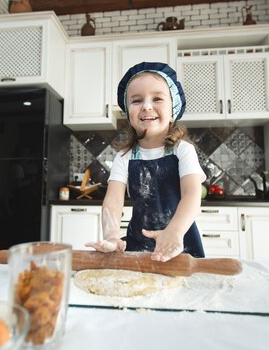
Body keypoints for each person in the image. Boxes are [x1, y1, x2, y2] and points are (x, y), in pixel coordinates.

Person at [85, 62, 206, 262]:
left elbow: (191, 194)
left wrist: (173, 232)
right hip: (137, 247)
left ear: (173, 108)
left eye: (157, 98)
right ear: (128, 112)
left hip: (180, 244)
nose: (147, 106)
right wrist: (112, 236)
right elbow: (113, 201)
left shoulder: (183, 151)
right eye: (136, 100)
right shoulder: (124, 157)